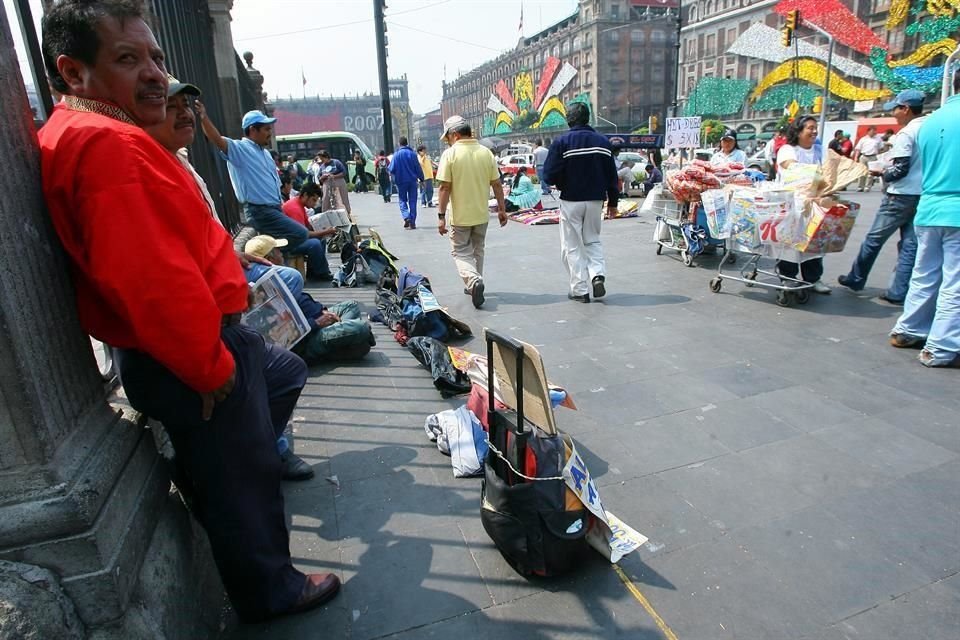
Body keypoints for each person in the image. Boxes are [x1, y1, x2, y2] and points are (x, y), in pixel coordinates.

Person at [38, 0, 338, 621]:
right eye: (128, 58)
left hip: (191, 344)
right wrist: (208, 366)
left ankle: (243, 539)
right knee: (242, 473)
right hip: (191, 352)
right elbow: (152, 279)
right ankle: (270, 590)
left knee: (248, 448)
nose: (153, 73)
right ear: (74, 72)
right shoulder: (107, 146)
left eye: (155, 56)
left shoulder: (99, 135)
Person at [196, 104, 333, 281]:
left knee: (299, 234)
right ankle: (272, 250)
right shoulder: (240, 149)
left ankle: (273, 249)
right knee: (300, 233)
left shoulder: (266, 154)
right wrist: (203, 118)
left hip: (274, 209)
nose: (270, 133)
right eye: (266, 129)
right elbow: (216, 139)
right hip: (259, 210)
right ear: (253, 130)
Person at [889, 70, 960, 368]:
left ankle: (908, 328)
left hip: (929, 207)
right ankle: (941, 347)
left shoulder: (931, 122)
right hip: (955, 208)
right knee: (954, 282)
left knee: (925, 272)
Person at [839, 90, 926, 304]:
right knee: (910, 245)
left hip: (899, 196)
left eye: (896, 109)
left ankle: (856, 278)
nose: (894, 114)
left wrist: (882, 173)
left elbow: (900, 169)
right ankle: (898, 291)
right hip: (922, 194)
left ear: (905, 109)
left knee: (873, 239)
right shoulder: (930, 129)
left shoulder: (906, 134)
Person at [245, 236, 376, 366]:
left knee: (351, 306)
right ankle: (343, 339)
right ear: (268, 259)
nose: (282, 254)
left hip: (317, 317)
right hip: (309, 335)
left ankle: (345, 338)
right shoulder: (262, 292)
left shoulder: (280, 278)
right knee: (362, 328)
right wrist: (317, 323)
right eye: (278, 251)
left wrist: (324, 313)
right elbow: (285, 333)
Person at [543, 101, 618, 303]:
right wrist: (613, 203)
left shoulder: (562, 142)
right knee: (593, 239)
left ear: (570, 119)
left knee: (572, 245)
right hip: (595, 200)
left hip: (571, 200)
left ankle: (580, 289)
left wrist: (560, 182)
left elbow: (549, 175)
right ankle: (597, 275)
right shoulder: (603, 142)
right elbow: (612, 176)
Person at [435, 115, 507, 309]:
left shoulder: (450, 155)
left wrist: (441, 217)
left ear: (455, 135)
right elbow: (497, 184)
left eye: (448, 138)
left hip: (460, 215)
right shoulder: (486, 153)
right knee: (478, 249)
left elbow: (444, 188)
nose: (448, 142)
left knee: (460, 252)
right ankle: (474, 282)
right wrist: (502, 209)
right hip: (481, 214)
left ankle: (473, 281)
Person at [776, 115, 831, 294]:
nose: (814, 131)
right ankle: (788, 277)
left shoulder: (820, 150)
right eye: (810, 128)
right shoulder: (787, 150)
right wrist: (815, 176)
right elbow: (791, 167)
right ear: (799, 131)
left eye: (815, 128)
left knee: (813, 243)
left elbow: (830, 172)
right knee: (790, 243)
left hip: (814, 204)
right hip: (792, 204)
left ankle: (813, 279)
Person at [389, 137, 424, 229]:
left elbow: (391, 169)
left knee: (402, 200)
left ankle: (406, 217)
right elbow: (418, 168)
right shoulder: (413, 154)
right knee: (413, 201)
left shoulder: (396, 155)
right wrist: (422, 179)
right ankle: (412, 221)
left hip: (401, 181)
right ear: (407, 143)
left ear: (399, 144)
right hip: (412, 181)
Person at [316, 150, 352, 215]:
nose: (321, 160)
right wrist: (323, 177)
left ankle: (346, 213)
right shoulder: (322, 166)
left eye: (322, 158)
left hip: (338, 181)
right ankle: (326, 214)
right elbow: (319, 177)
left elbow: (344, 172)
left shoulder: (336, 162)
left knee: (342, 198)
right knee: (326, 199)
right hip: (327, 183)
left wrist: (334, 176)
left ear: (326, 157)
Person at [853, 126, 883, 192]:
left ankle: (867, 187)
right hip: (864, 156)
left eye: (875, 131)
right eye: (873, 131)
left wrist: (880, 157)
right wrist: (856, 157)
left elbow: (881, 149)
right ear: (868, 131)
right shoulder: (863, 139)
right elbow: (858, 149)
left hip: (873, 157)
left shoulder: (878, 139)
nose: (874, 132)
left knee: (870, 173)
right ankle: (860, 186)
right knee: (862, 172)